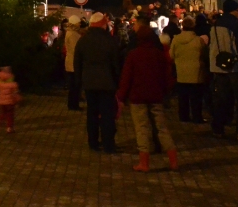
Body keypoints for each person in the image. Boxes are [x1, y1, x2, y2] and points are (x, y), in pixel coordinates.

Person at [118, 25, 176, 172]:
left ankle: (144, 163)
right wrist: (165, 92)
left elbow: (126, 78)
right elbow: (167, 76)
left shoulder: (133, 54)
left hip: (138, 97)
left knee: (141, 129)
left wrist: (121, 97)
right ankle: (173, 161)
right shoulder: (158, 54)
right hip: (156, 96)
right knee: (162, 128)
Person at [74, 12, 121, 152]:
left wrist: (79, 83)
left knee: (92, 113)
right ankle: (108, 144)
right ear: (103, 25)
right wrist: (117, 82)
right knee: (107, 114)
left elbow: (77, 64)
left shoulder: (83, 41)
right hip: (107, 83)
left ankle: (93, 142)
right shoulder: (111, 41)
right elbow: (116, 64)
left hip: (89, 83)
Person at [210, 0, 238, 141]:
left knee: (222, 100)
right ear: (233, 10)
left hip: (219, 65)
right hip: (235, 67)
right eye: (237, 10)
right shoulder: (235, 25)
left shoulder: (216, 24)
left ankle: (218, 128)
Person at [169, 16, 206, 124]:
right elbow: (204, 54)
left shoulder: (176, 39)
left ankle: (184, 116)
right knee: (196, 97)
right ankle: (197, 117)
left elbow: (171, 55)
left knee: (183, 97)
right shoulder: (198, 40)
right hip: (196, 71)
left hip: (181, 71)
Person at [0, 67, 21, 133]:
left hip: (1, 102)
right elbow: (16, 93)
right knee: (10, 115)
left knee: (2, 114)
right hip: (10, 102)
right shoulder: (13, 84)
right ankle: (9, 127)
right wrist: (18, 100)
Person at [64, 16, 84, 110]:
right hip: (73, 63)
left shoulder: (72, 32)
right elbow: (75, 49)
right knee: (74, 86)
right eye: (78, 22)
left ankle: (73, 104)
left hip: (71, 62)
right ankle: (73, 105)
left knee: (74, 86)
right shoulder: (72, 34)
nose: (80, 24)